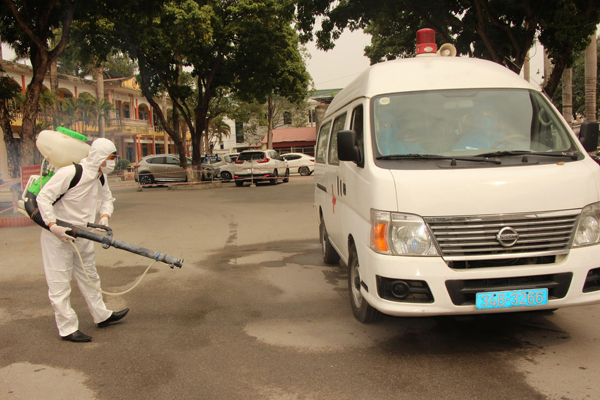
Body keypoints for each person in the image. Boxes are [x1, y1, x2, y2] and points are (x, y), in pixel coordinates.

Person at [36, 138, 129, 342]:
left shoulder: (100, 177)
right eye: (111, 158)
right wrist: (53, 226)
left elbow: (107, 199)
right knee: (59, 283)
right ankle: (68, 328)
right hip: (58, 237)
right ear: (100, 157)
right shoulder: (70, 173)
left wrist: (104, 217)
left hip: (84, 235)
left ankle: (101, 315)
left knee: (90, 277)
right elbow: (43, 198)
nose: (113, 162)